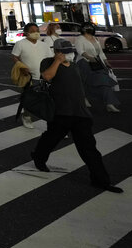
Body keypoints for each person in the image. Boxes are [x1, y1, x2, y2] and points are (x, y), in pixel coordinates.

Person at [31, 39, 124, 193]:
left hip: (80, 114)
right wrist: (57, 61)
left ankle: (101, 181)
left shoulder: (75, 66)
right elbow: (47, 77)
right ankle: (39, 157)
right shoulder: (48, 62)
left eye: (70, 51)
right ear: (57, 52)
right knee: (51, 139)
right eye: (65, 51)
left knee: (89, 149)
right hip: (60, 112)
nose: (69, 54)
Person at [11, 23, 53, 129]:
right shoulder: (20, 44)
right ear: (26, 33)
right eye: (33, 31)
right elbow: (15, 56)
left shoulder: (43, 45)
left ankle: (53, 124)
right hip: (29, 78)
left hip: (44, 78)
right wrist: (21, 67)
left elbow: (50, 59)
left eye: (37, 30)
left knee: (50, 101)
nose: (36, 33)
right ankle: (27, 116)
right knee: (30, 100)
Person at [75, 23, 121, 112]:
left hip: (97, 63)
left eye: (90, 27)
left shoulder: (95, 39)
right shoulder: (80, 39)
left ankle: (110, 103)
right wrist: (89, 57)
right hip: (84, 62)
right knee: (85, 82)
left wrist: (106, 61)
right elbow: (80, 51)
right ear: (82, 29)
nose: (89, 28)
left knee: (104, 81)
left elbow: (100, 52)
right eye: (86, 27)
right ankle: (84, 98)